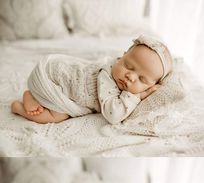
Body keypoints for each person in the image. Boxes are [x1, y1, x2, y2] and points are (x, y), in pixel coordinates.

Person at [11, 34, 172, 125]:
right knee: (58, 116)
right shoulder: (107, 79)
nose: (130, 76)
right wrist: (137, 95)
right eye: (128, 66)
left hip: (55, 75)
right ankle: (21, 106)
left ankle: (34, 96)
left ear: (153, 85)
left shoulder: (118, 76)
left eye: (141, 79)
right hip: (52, 80)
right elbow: (113, 114)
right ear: (121, 57)